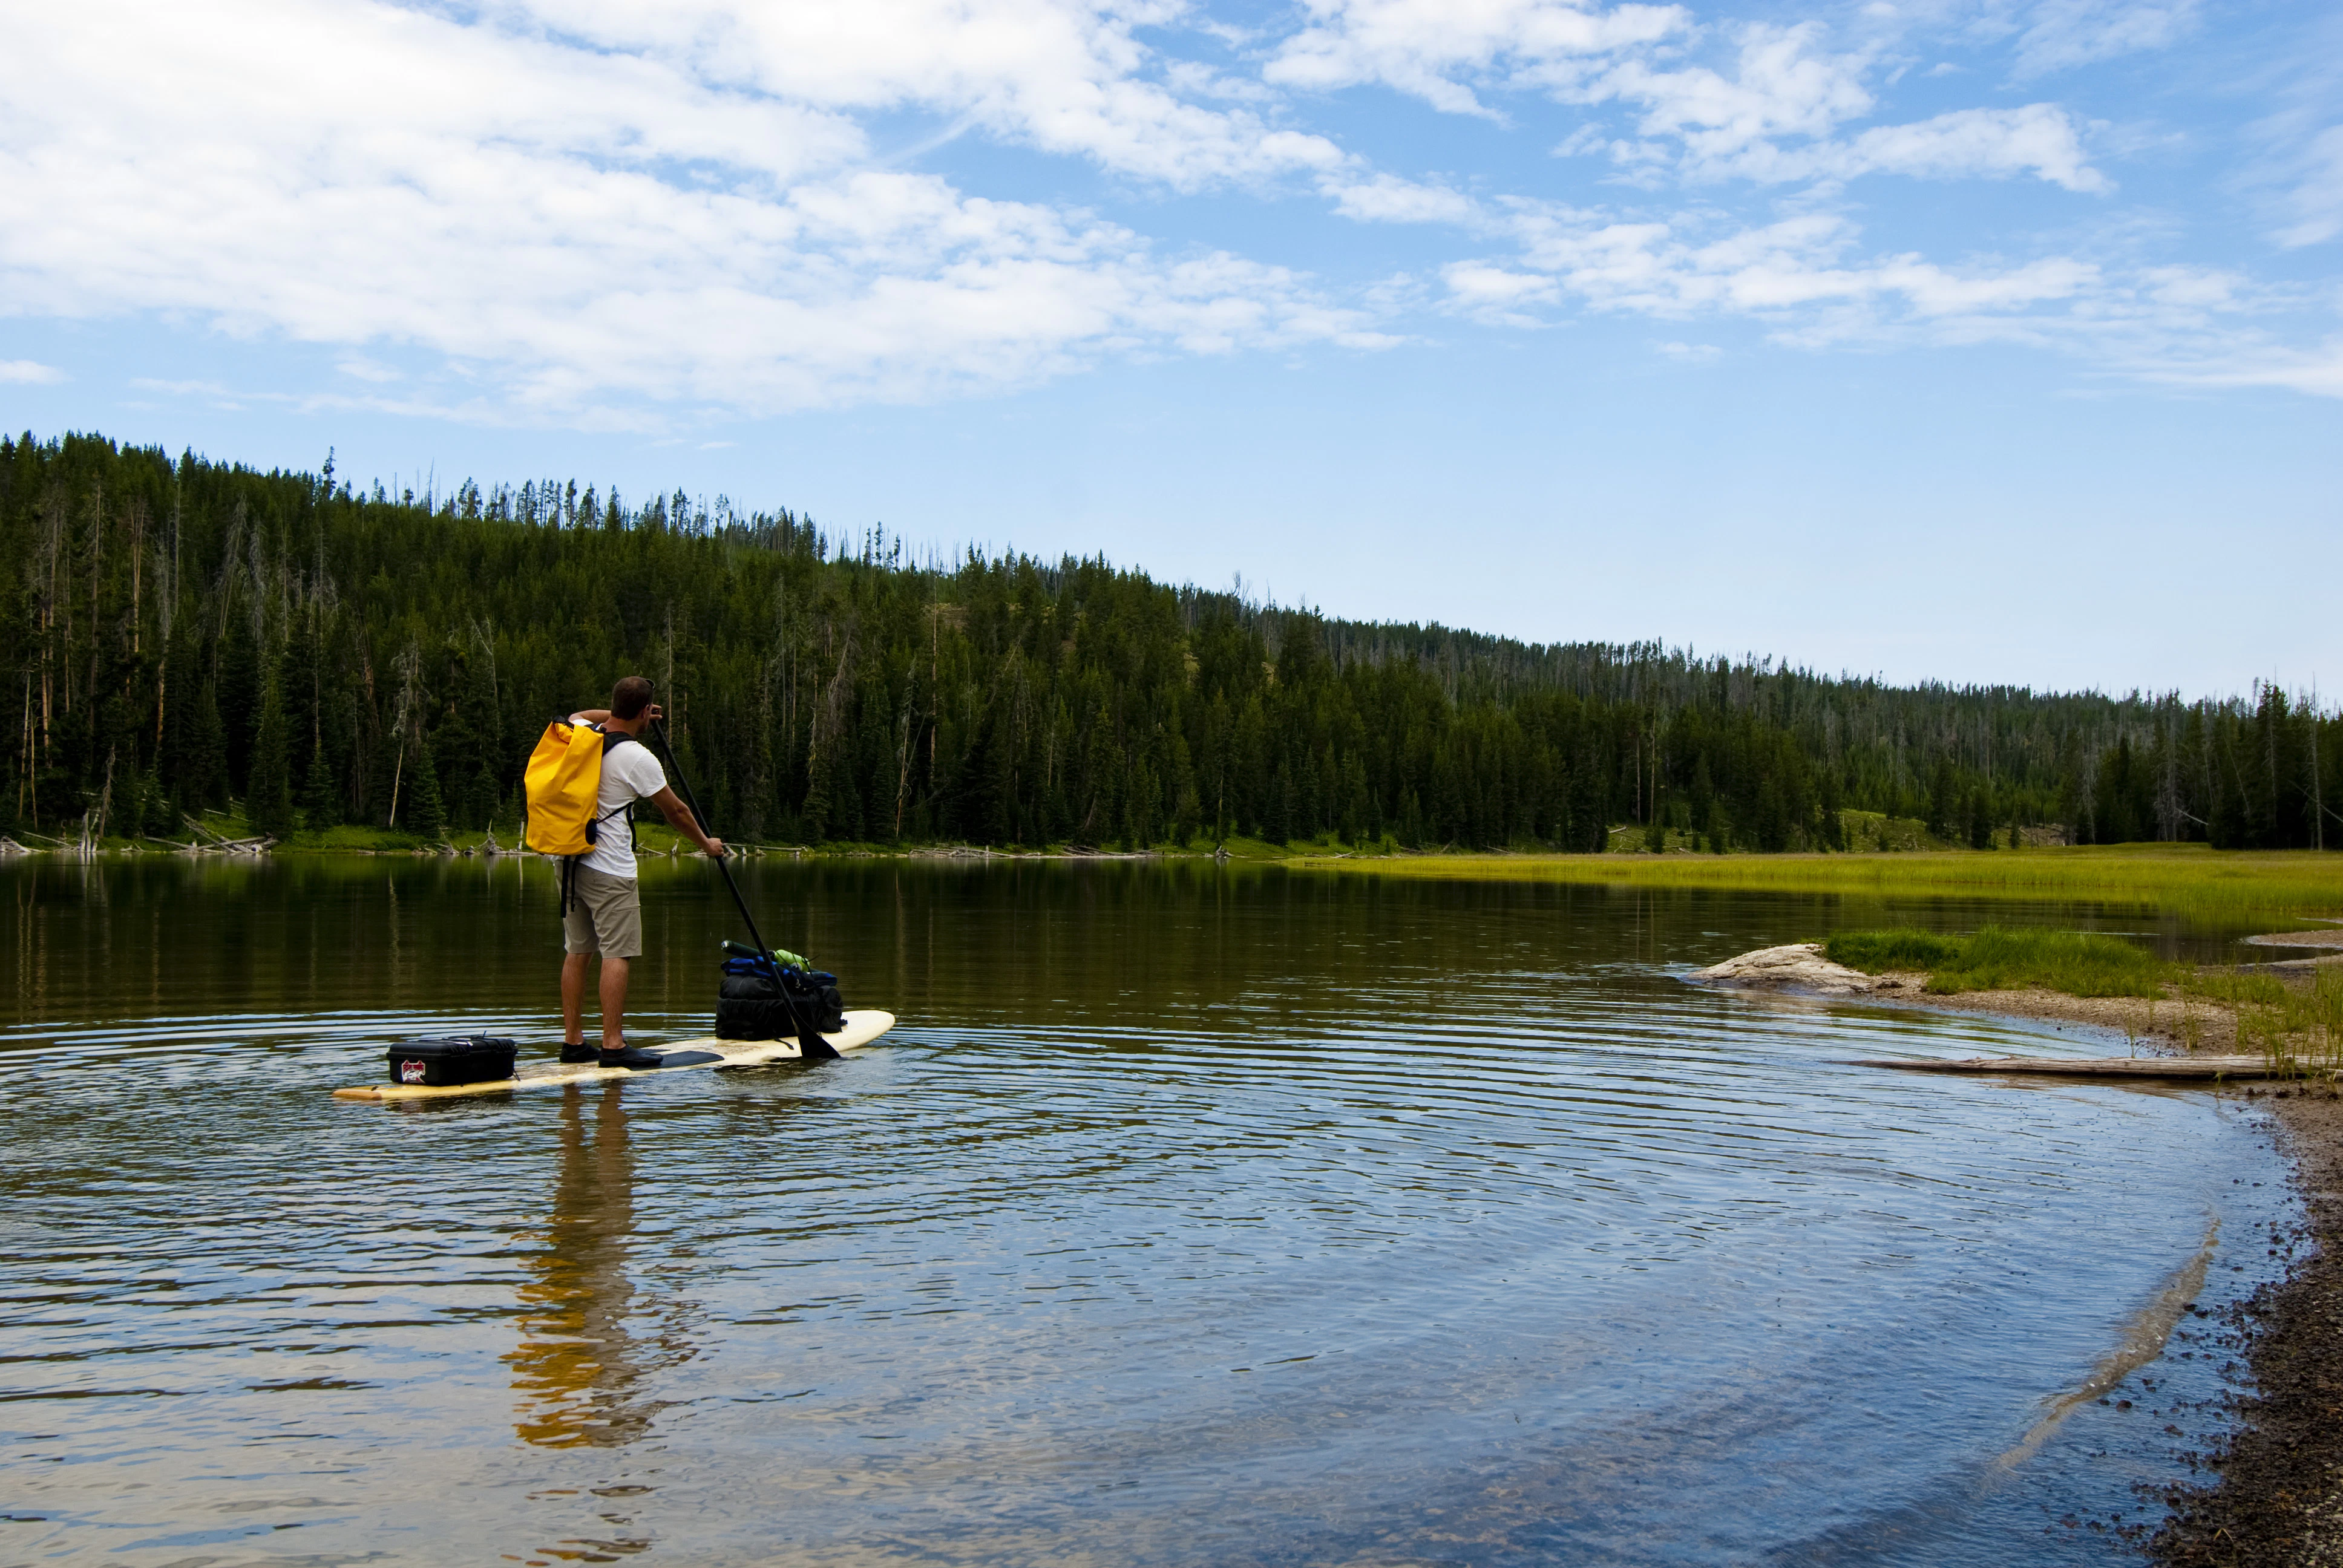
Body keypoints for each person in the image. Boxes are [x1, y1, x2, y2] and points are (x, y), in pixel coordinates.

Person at [557, 676, 725, 1068]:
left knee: (578, 951)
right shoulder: (637, 757)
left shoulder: (584, 732)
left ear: (615, 706)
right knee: (618, 953)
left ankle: (573, 1043)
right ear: (644, 713)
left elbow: (578, 713)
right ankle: (613, 1046)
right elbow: (676, 812)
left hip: (569, 861)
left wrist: (625, 712)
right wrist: (707, 845)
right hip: (610, 869)